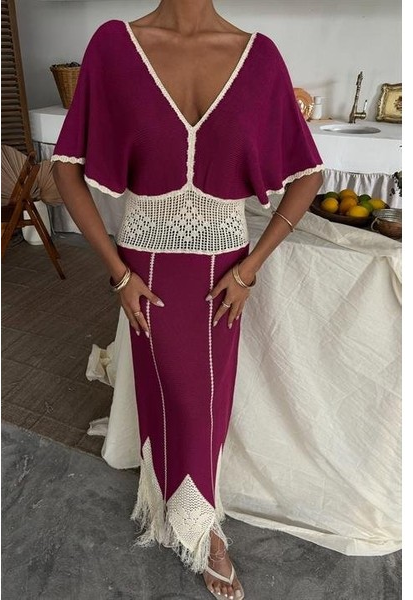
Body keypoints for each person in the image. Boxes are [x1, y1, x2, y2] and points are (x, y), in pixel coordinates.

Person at [52, 1, 323, 598]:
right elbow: (66, 168)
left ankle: (199, 519)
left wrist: (250, 270)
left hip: (226, 273)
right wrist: (118, 275)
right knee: (172, 393)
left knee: (208, 399)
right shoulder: (115, 45)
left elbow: (309, 175)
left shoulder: (259, 56)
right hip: (145, 270)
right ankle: (195, 523)